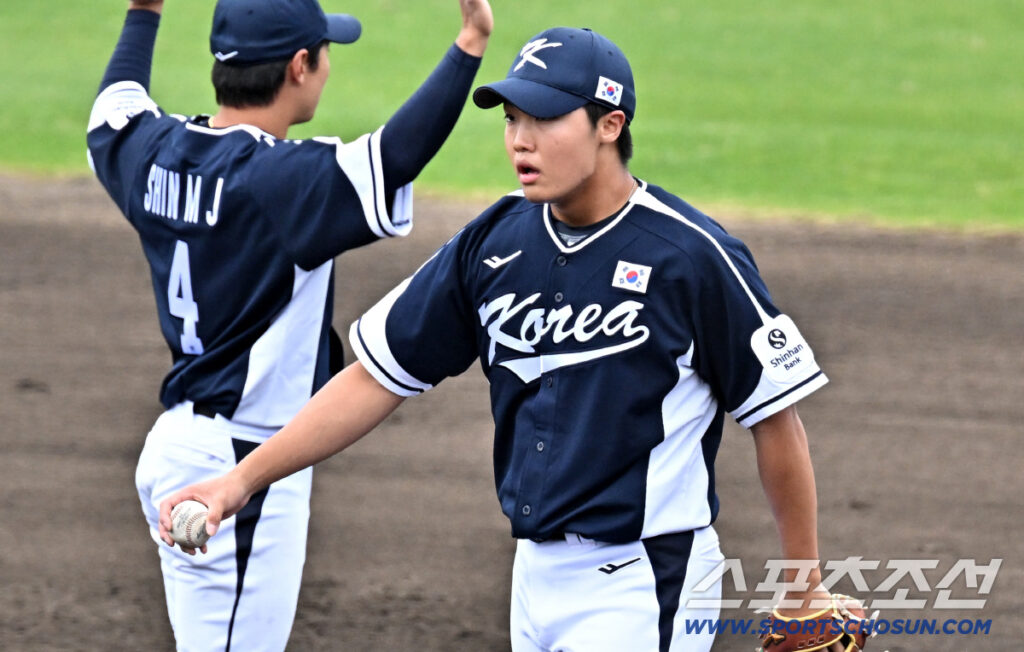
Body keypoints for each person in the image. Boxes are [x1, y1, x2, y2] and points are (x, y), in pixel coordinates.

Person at [158, 26, 851, 651]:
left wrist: (803, 587)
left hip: (647, 580)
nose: (520, 139)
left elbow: (774, 417)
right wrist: (241, 481)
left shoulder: (690, 255)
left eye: (544, 119)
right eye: (512, 118)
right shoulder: (494, 241)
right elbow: (376, 377)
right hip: (533, 578)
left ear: (610, 124)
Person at [87, 0, 492, 649]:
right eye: (325, 52)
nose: (328, 66)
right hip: (237, 463)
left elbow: (113, 105)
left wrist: (143, 12)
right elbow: (396, 155)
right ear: (300, 65)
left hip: (184, 445)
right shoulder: (276, 179)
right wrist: (470, 43)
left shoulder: (155, 152)